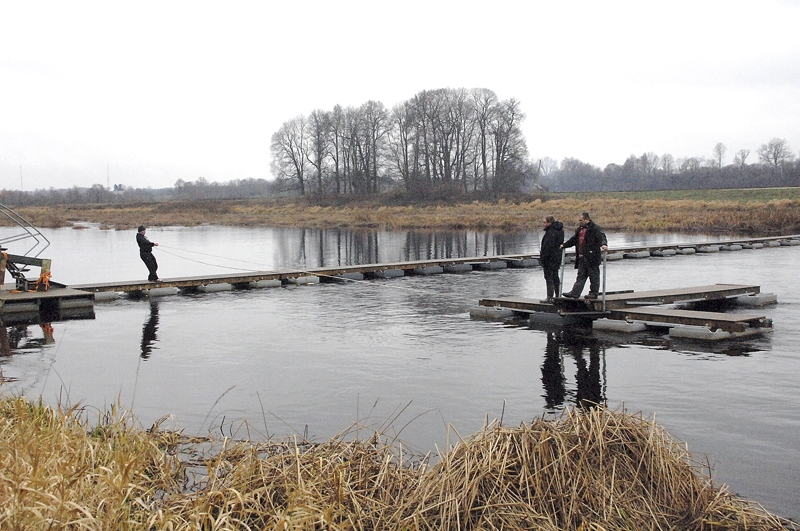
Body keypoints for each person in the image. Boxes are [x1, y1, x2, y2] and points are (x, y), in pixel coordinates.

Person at [560, 212, 608, 299]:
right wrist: (564, 245)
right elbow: (574, 239)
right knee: (580, 275)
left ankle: (593, 293)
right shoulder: (579, 229)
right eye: (579, 220)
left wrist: (604, 244)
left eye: (581, 220)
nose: (580, 222)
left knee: (594, 276)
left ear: (587, 219)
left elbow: (602, 237)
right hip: (582, 257)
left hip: (592, 256)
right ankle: (575, 292)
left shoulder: (595, 228)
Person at [539, 215, 564, 301]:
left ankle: (550, 296)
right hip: (557, 257)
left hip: (549, 259)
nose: (544, 224)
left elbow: (547, 247)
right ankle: (557, 295)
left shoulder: (551, 232)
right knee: (555, 277)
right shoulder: (559, 230)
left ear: (550, 222)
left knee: (549, 278)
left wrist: (542, 259)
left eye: (545, 222)